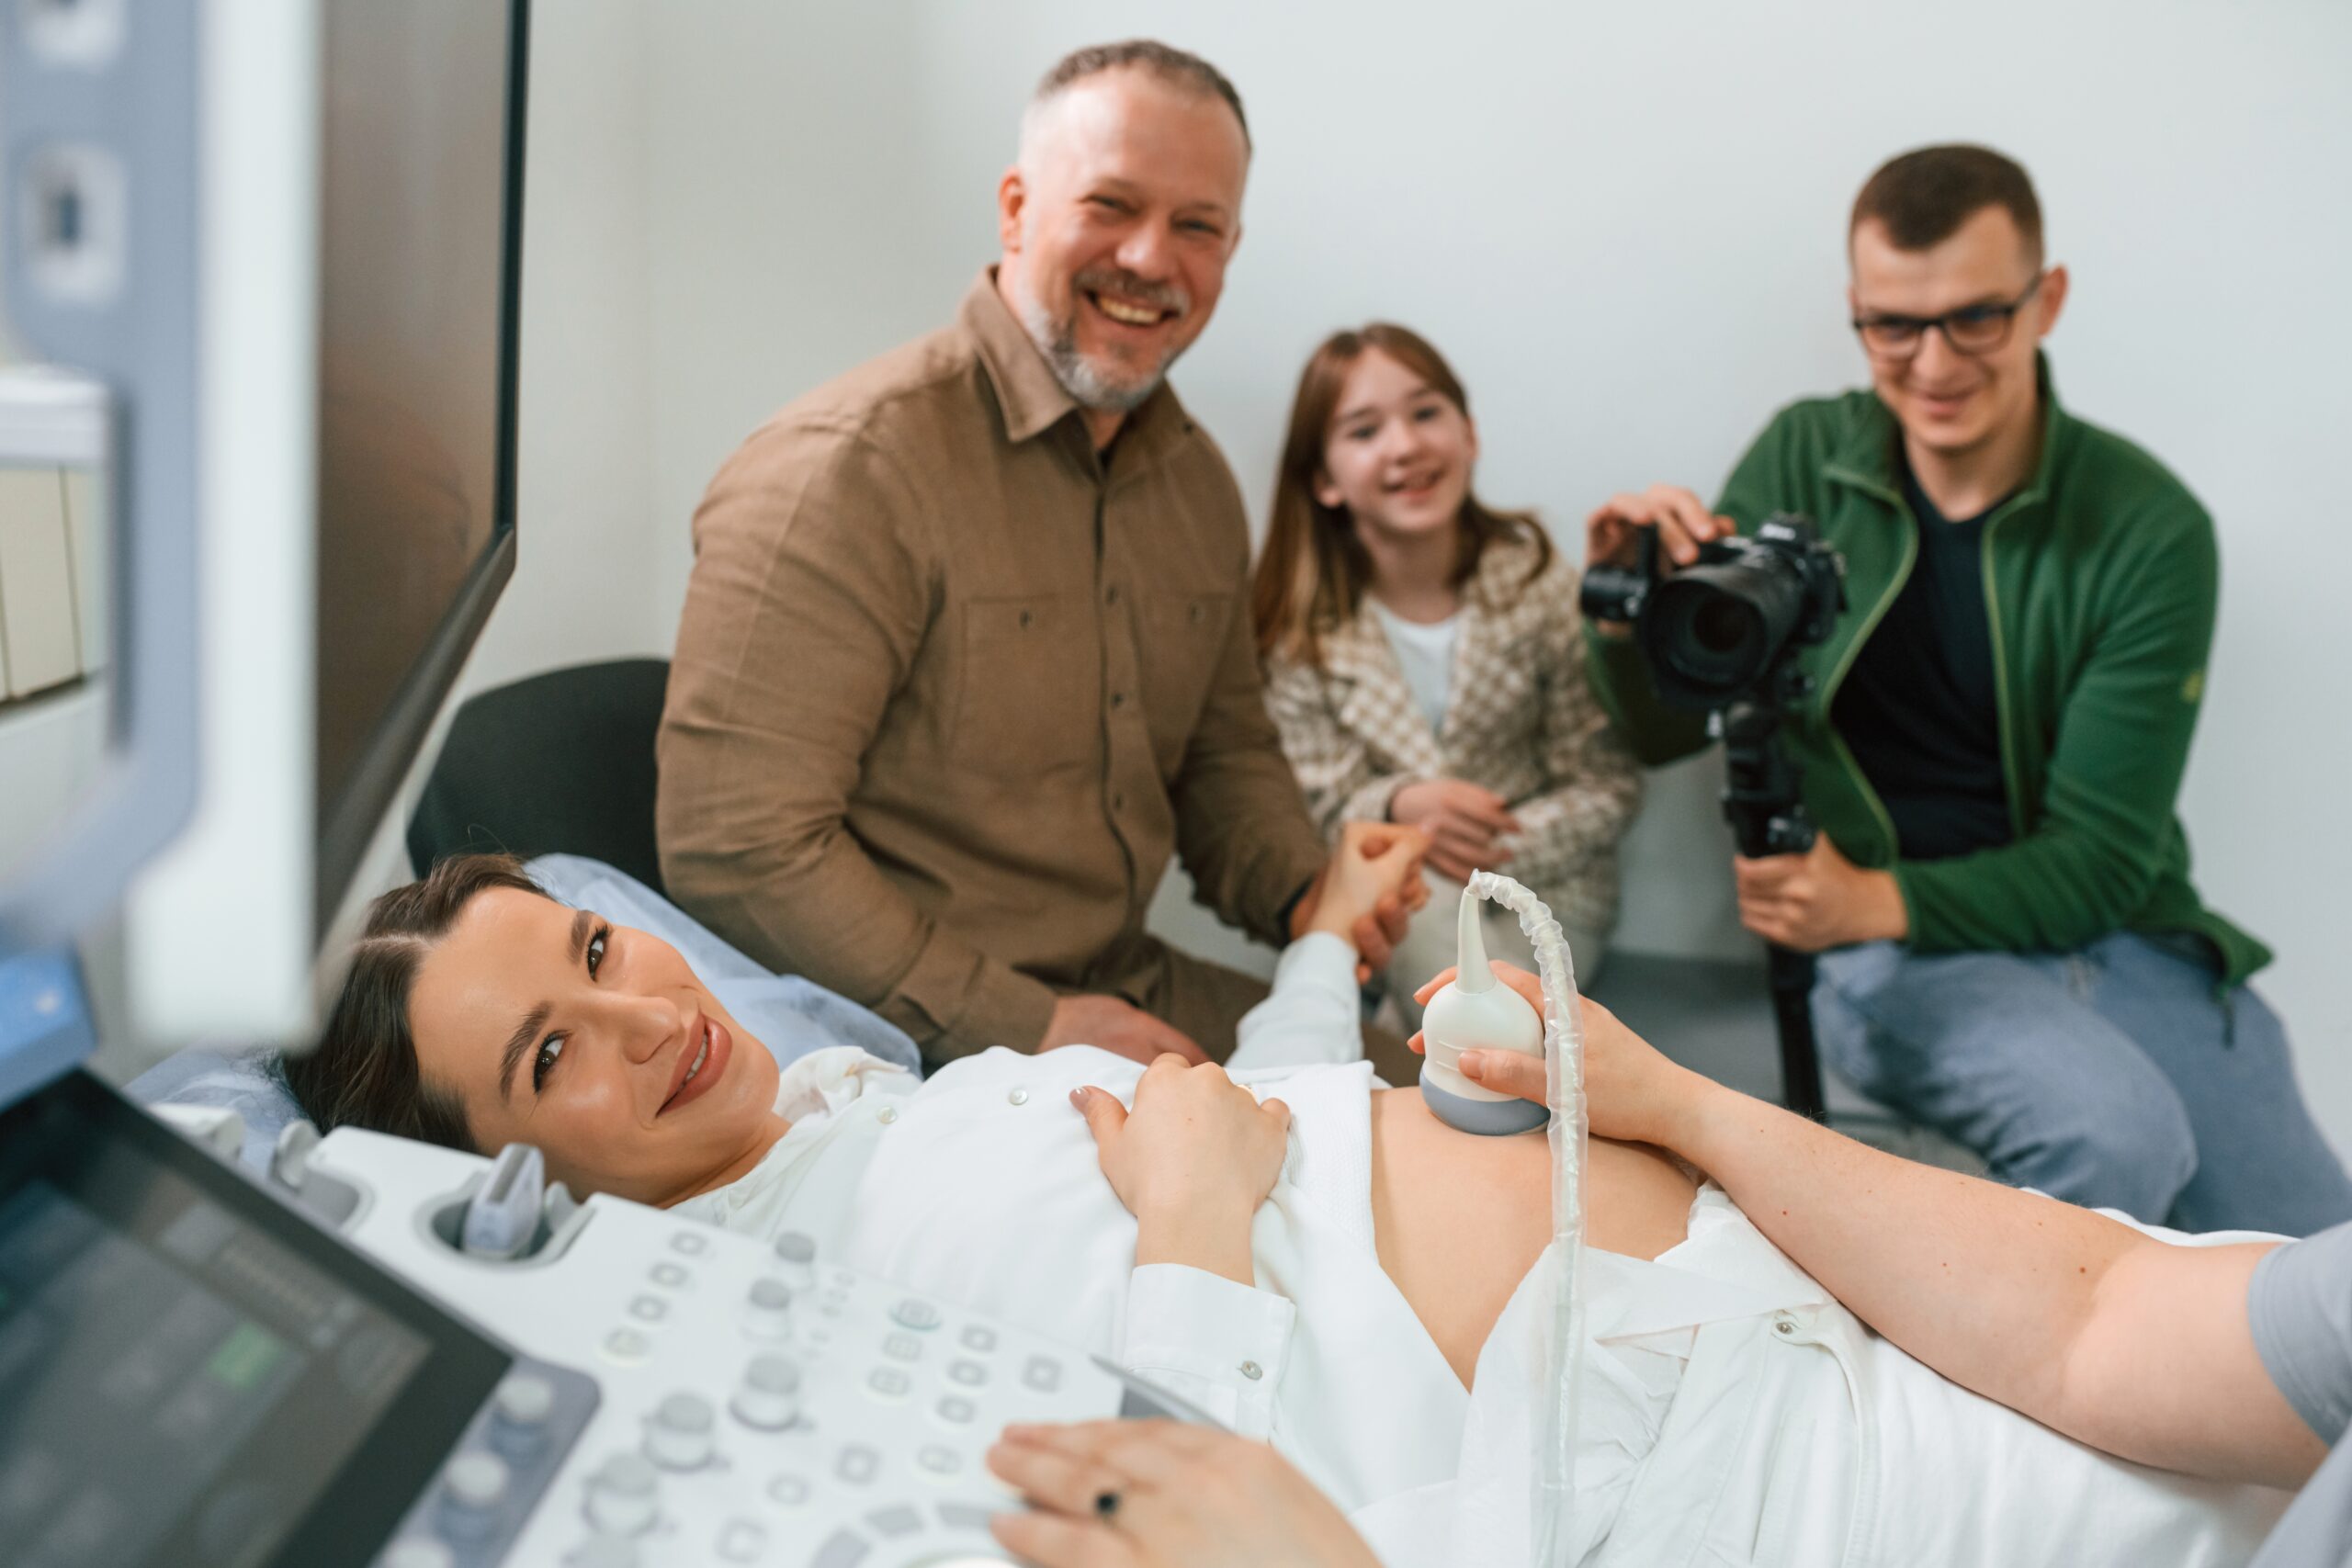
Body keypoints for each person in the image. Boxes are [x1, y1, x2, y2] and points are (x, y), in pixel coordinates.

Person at [288, 852, 2286, 1566]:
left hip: (1818, 1293)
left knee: (2251, 1330)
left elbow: (1258, 1114)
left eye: (597, 948)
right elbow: (1132, 1522)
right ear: (505, 1183)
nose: (646, 1016)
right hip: (1716, 1479)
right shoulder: (759, 1336)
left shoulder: (853, 1106)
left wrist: (1324, 946)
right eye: (550, 1054)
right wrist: (1189, 1214)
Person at [1581, 142, 2351, 1234]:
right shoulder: (1804, 457)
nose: (1933, 364)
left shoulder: (2147, 527)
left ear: (2047, 300)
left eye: (1975, 318)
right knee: (2116, 1135)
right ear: (1855, 312)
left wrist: (1866, 898)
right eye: (1893, 325)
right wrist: (1628, 615)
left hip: (2104, 927)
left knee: (2318, 1264)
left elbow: (2099, 860)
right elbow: (1663, 735)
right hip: (1890, 950)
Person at [984, 967, 2351, 1567]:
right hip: (1807, 1336)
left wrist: (1194, 1236)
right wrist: (1680, 1105)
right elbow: (2093, 1318)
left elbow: (1168, 1521)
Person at [656, 40, 1415, 1081]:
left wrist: (1308, 895)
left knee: (1487, 1106)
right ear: (1016, 209)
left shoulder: (1195, 483)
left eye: (1197, 226)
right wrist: (1030, 1024)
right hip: (897, 1048)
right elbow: (733, 846)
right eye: (1111, 205)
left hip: (1124, 993)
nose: (1150, 258)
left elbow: (1223, 755)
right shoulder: (844, 470)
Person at [1253, 324, 1641, 1021]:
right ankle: (1468, 1043)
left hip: (1547, 893)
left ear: (1469, 434)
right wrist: (1398, 805)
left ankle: (1450, 1039)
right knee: (1414, 892)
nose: (1405, 445)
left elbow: (1605, 782)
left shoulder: (1537, 584)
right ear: (1324, 479)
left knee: (1434, 918)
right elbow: (1313, 806)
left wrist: (1482, 853)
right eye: (1365, 430)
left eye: (1426, 413)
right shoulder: (1302, 631)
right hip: (1397, 901)